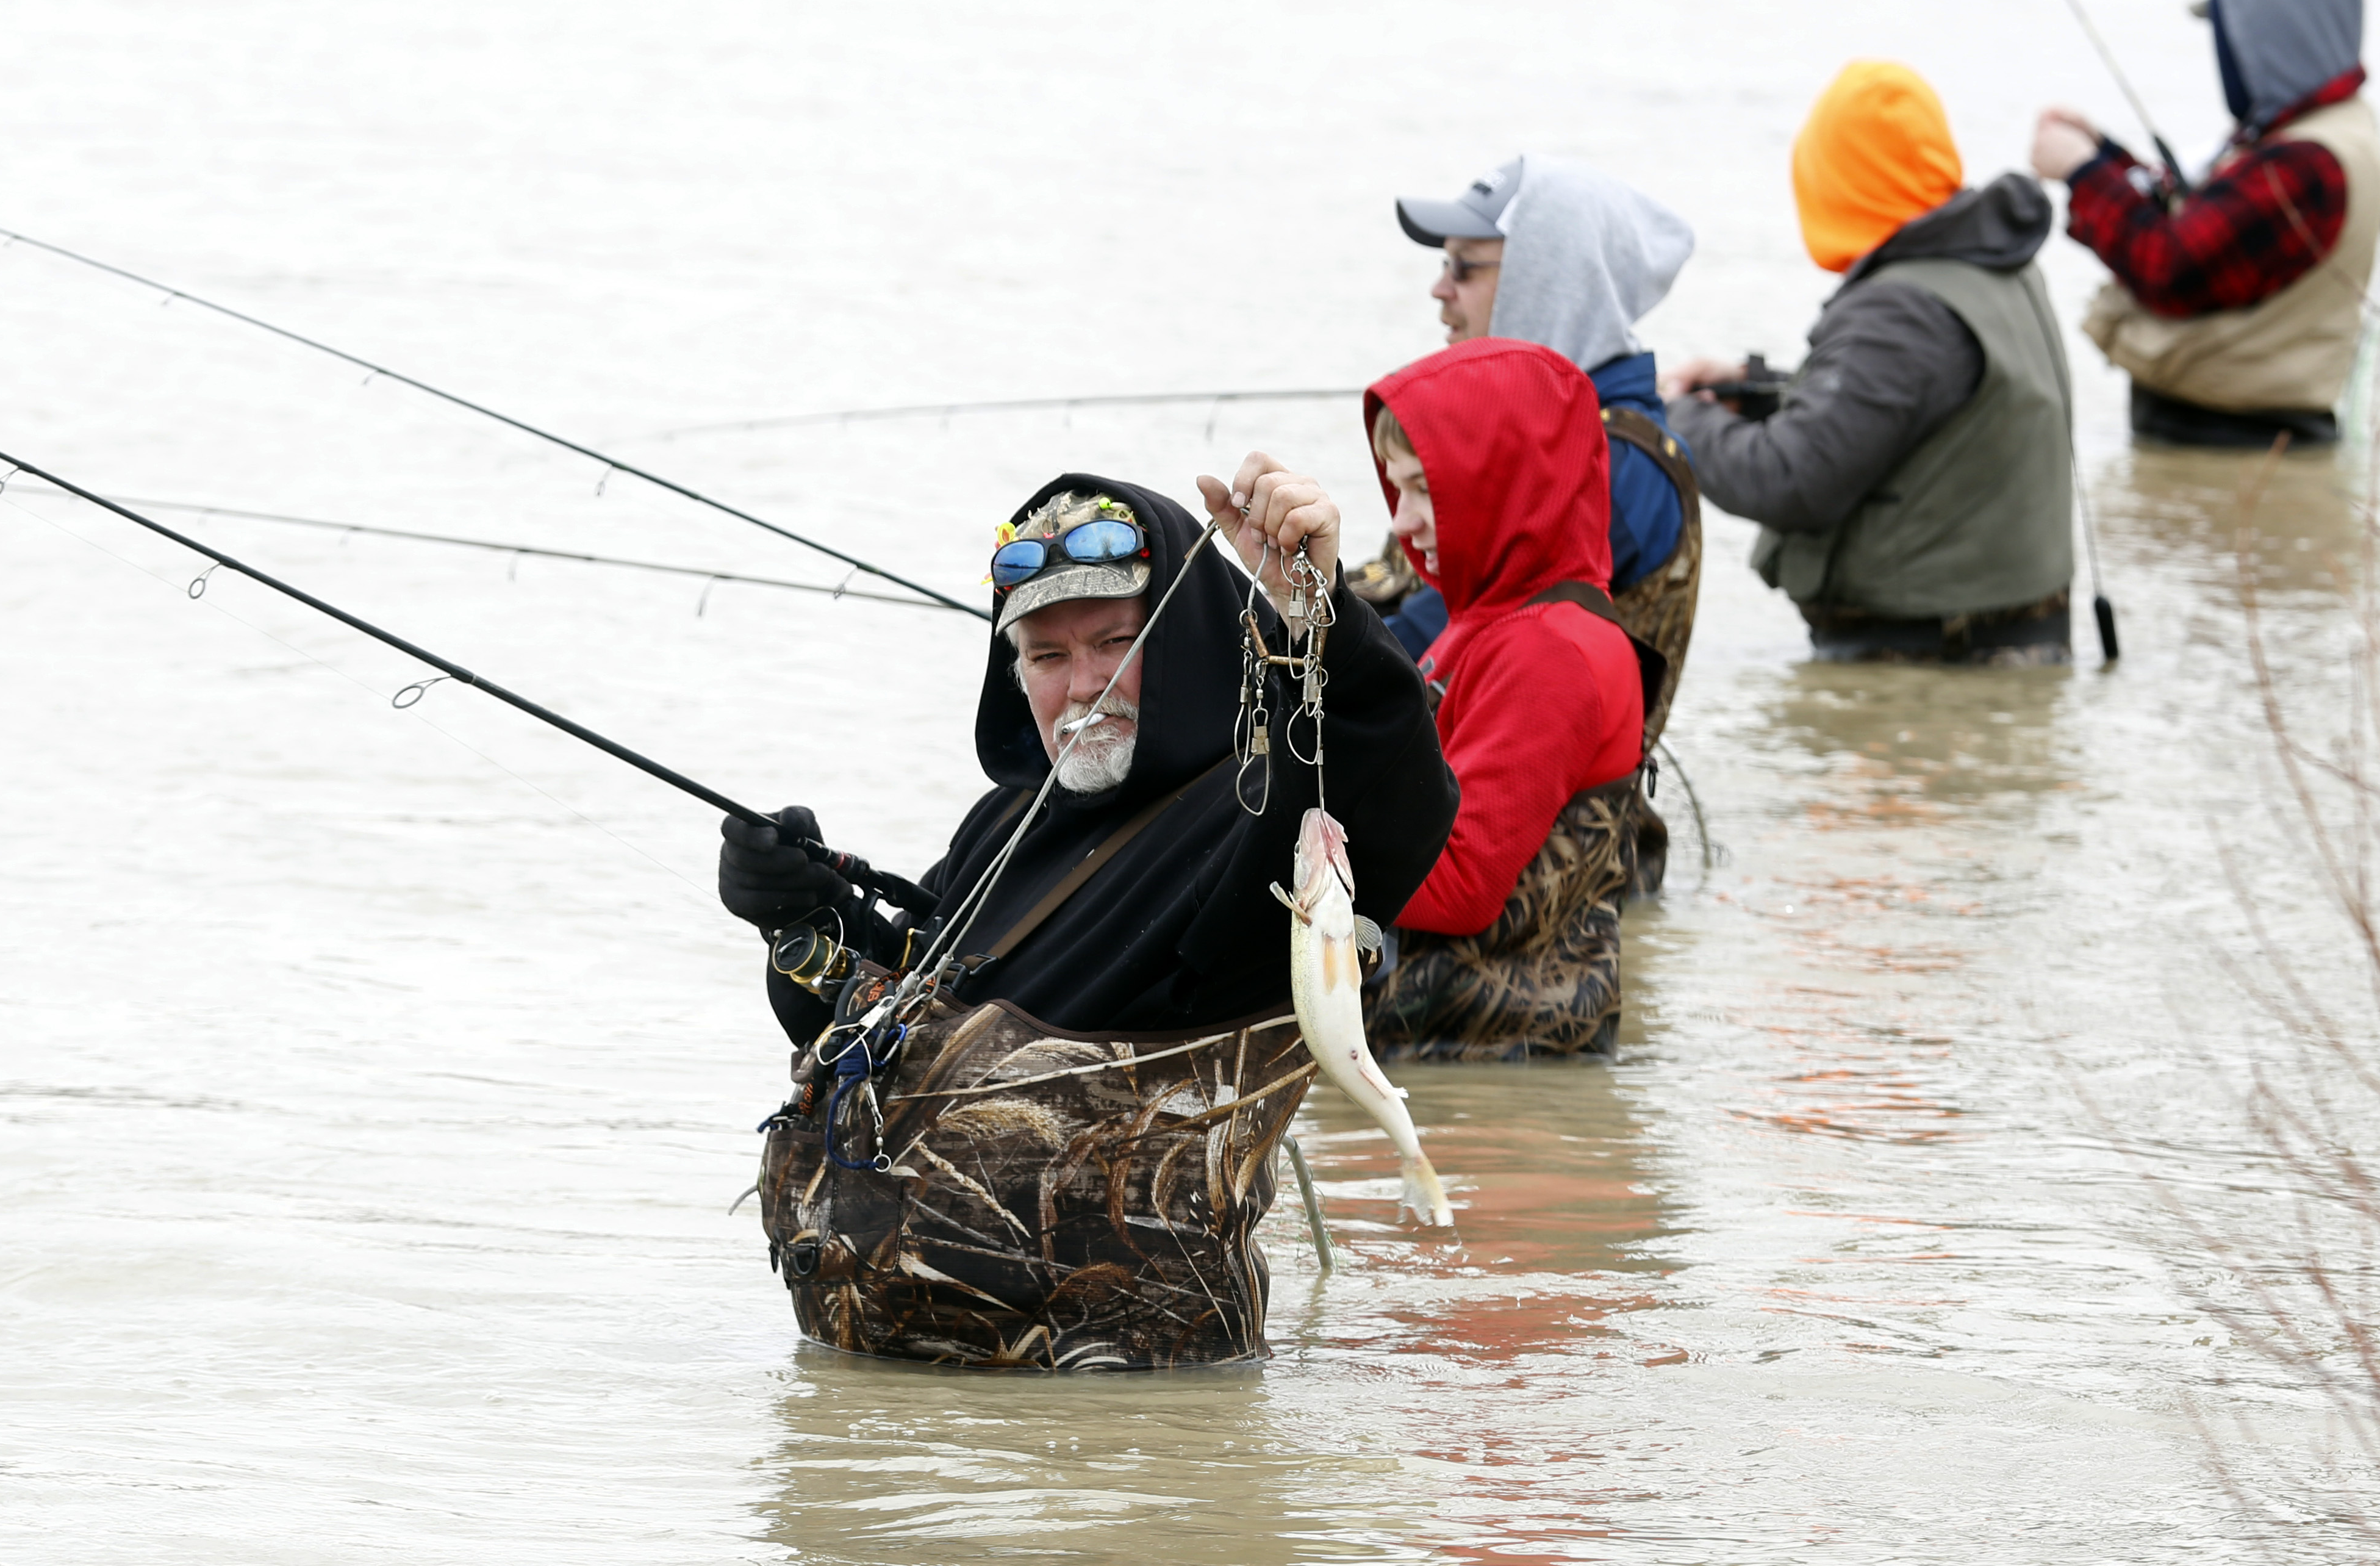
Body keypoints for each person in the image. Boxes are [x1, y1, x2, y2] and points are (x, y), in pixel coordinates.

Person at [719, 462, 1455, 1370]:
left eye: (1113, 642)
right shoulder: (1004, 825)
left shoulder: (1254, 816)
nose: (1083, 689)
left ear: (1185, 642)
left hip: (1126, 1414)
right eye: (1047, 656)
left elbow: (1387, 783)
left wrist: (1315, 606)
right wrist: (801, 915)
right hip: (890, 1405)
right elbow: (898, 1015)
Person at [1664, 60, 2077, 665]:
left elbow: (1792, 481)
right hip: (2005, 654)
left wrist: (1674, 418)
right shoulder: (1989, 263)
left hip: (1930, 676)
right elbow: (1923, 406)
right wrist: (1761, 391)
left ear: (1837, 180)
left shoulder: (1900, 312)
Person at [1356, 339, 1657, 1061]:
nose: (1401, 522)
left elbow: (1462, 884)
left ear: (1504, 480)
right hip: (1458, 1042)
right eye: (1398, 487)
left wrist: (1294, 850)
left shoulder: (1547, 651)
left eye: (1427, 488)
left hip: (1492, 1060)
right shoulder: (1493, 620)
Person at [1354, 155, 1705, 747]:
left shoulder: (1616, 469)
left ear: (1551, 280)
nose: (1440, 289)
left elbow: (1421, 651)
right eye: (1444, 264)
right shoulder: (1509, 434)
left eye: (1465, 268)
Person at [2030, 0, 2380, 447]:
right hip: (2233, 441)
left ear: (2273, 40)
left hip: (2235, 444)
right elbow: (2205, 225)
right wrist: (2104, 154)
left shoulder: (2307, 163)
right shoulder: (2318, 132)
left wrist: (2082, 173)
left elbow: (2171, 268)